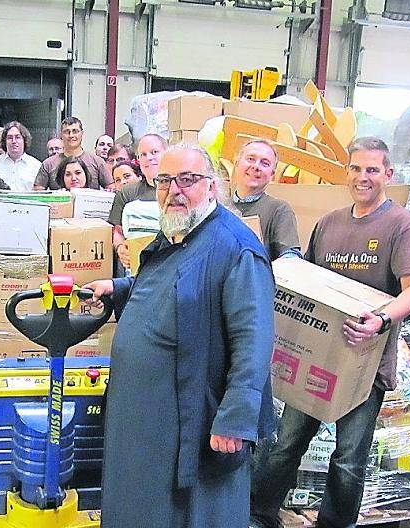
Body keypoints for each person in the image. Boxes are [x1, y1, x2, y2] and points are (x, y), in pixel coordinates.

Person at [84, 143, 275, 527]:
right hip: (141, 423)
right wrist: (119, 288)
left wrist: (235, 419)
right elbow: (170, 285)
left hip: (192, 424)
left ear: (211, 186)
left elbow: (253, 340)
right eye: (165, 181)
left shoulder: (235, 249)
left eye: (188, 180)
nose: (175, 190)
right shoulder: (178, 232)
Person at [249, 137, 410, 528]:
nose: (362, 177)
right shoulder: (330, 223)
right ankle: (258, 515)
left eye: (372, 170)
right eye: (355, 168)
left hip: (365, 365)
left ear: (388, 174)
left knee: (349, 458)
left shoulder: (402, 225)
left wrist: (380, 321)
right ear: (346, 172)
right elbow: (305, 283)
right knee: (285, 446)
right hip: (317, 359)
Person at [230, 140, 300, 260]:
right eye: (251, 159)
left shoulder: (279, 210)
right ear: (236, 163)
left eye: (265, 163)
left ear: (272, 174)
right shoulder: (216, 207)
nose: (256, 166)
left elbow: (291, 256)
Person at [108, 133, 166, 270]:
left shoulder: (178, 190)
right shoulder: (127, 192)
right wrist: (120, 248)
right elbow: (116, 230)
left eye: (154, 152)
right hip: (136, 269)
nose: (149, 158)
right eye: (143, 155)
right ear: (138, 160)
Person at [33, 117, 112, 190]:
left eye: (75, 131)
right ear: (61, 135)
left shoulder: (97, 162)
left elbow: (111, 189)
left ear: (82, 133)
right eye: (66, 132)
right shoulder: (48, 164)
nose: (71, 135)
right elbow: (38, 193)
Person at [0, 121, 41, 191]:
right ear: (4, 141)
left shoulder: (36, 166)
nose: (14, 141)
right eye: (10, 138)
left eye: (18, 137)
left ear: (24, 140)